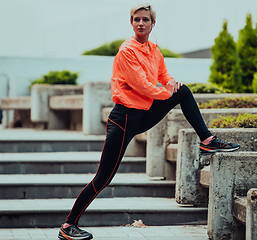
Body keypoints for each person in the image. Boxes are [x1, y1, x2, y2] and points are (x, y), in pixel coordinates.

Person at [58, 3, 240, 240]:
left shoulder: (154, 50)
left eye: (145, 19)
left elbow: (163, 75)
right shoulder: (127, 51)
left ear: (153, 24)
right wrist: (168, 93)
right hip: (123, 119)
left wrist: (172, 83)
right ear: (132, 23)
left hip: (143, 113)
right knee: (104, 177)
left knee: (183, 91)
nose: (141, 23)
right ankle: (68, 225)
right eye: (136, 19)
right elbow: (142, 85)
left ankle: (207, 140)